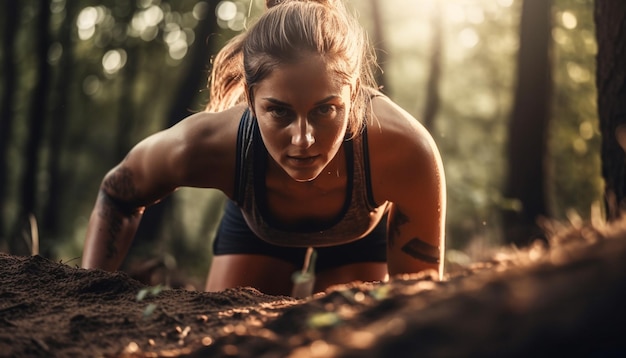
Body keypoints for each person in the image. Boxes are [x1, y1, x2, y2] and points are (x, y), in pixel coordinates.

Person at [82, 0, 447, 297]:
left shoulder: (404, 150)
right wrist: (83, 294)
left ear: (353, 95)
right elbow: (118, 194)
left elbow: (421, 306)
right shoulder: (208, 144)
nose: (303, 139)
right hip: (256, 227)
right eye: (279, 111)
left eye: (325, 109)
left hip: (363, 236)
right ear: (251, 98)